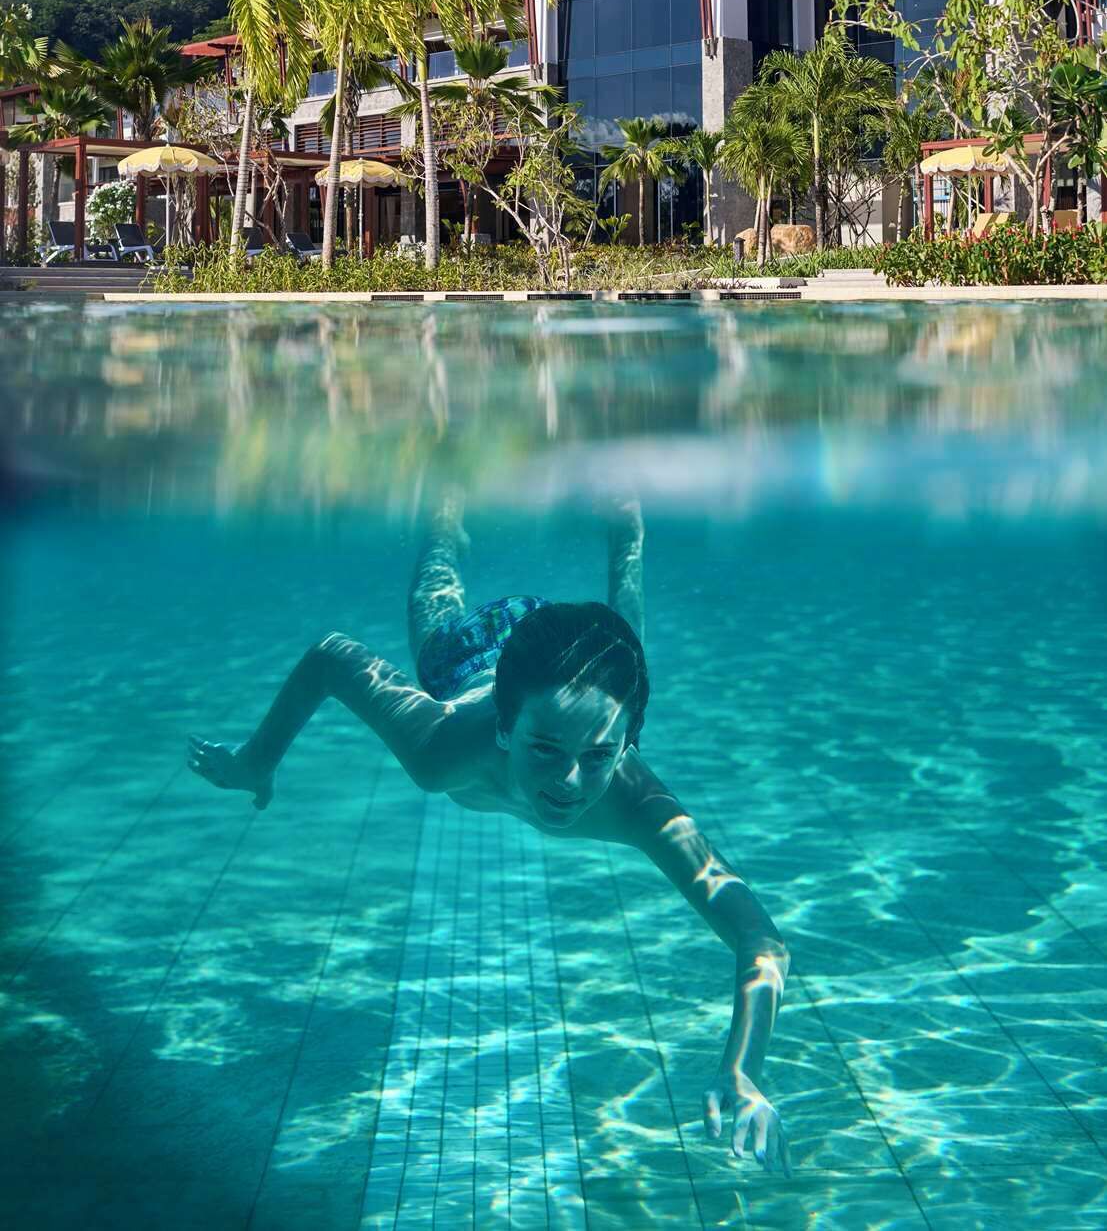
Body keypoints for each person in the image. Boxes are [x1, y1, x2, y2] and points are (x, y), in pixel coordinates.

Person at [188, 497, 791, 1173]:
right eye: (543, 751)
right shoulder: (439, 748)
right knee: (434, 602)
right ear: (505, 731)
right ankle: (445, 518)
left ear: (628, 743)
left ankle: (628, 531)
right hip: (476, 656)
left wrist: (741, 1071)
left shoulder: (636, 803)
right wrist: (255, 760)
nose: (568, 782)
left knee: (624, 644)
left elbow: (759, 938)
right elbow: (331, 657)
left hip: (571, 665)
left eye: (599, 754)